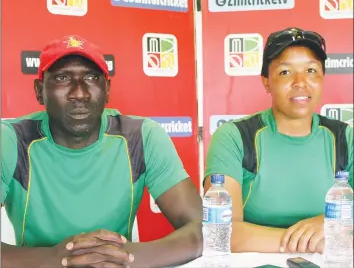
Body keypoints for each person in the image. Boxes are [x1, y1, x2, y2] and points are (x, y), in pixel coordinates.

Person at [1, 35, 202, 268]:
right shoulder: (11, 139)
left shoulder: (140, 136)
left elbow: (202, 228)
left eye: (91, 77)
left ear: (106, 89)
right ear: (39, 90)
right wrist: (58, 259)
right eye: (63, 78)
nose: (79, 93)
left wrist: (129, 258)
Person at [204, 28, 353, 254]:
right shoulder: (234, 137)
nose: (300, 82)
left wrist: (327, 225)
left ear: (322, 78)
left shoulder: (345, 139)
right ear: (266, 82)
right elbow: (222, 232)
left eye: (311, 70)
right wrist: (317, 240)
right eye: (285, 72)